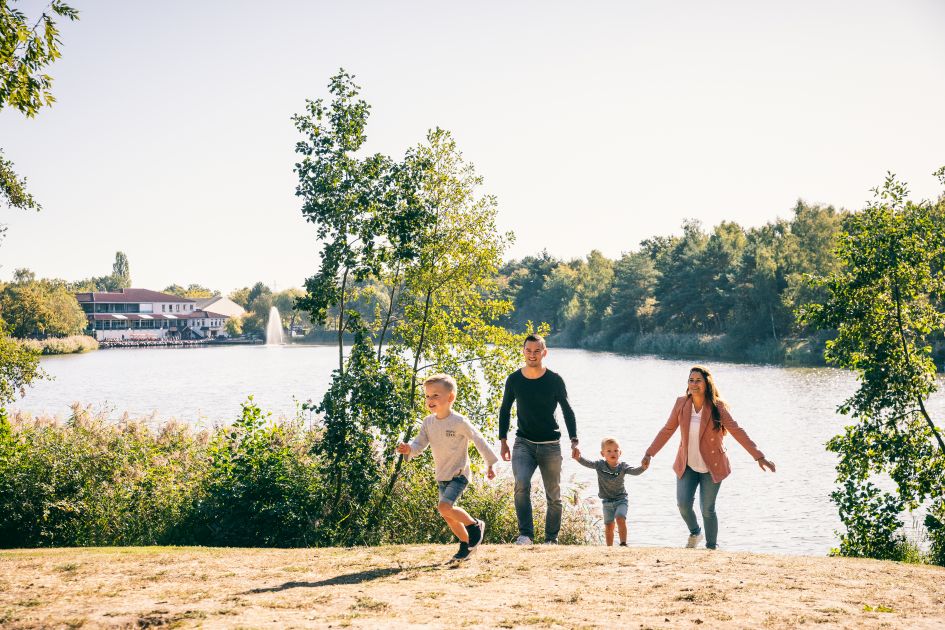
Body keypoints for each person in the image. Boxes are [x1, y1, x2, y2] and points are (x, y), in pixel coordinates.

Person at [641, 365, 776, 550]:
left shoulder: (717, 407)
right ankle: (695, 532)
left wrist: (759, 457)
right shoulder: (681, 403)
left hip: (712, 466)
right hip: (687, 465)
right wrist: (650, 453)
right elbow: (667, 430)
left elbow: (737, 431)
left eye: (698, 380)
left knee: (707, 509)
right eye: (691, 380)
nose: (694, 384)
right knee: (683, 504)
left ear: (706, 383)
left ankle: (711, 548)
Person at [396, 374, 498, 561]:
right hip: (442, 475)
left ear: (450, 397)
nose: (430, 400)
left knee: (444, 507)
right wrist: (409, 448)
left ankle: (475, 526)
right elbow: (419, 444)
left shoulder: (459, 422)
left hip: (459, 474)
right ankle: (466, 545)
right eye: (427, 396)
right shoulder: (428, 422)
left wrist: (490, 463)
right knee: (448, 515)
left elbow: (478, 439)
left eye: (436, 395)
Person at [499, 333, 578, 545]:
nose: (532, 355)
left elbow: (568, 410)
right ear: (523, 351)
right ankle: (526, 535)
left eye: (537, 351)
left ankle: (551, 539)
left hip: (550, 445)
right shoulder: (514, 379)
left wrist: (574, 439)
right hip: (523, 443)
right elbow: (505, 409)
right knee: (521, 484)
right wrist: (503, 440)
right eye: (528, 350)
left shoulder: (554, 380)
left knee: (553, 495)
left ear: (544, 352)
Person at [573, 437, 647, 546]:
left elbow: (634, 471)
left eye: (616, 450)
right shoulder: (600, 465)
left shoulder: (623, 466)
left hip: (621, 499)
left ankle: (623, 543)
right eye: (609, 451)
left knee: (620, 517)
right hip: (607, 502)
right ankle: (609, 548)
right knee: (609, 526)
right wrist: (579, 458)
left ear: (620, 453)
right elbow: (588, 463)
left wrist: (643, 467)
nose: (613, 453)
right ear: (602, 453)